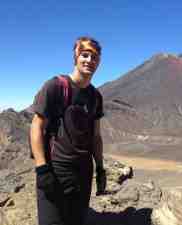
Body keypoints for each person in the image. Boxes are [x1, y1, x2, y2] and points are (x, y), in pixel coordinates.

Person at [30, 36, 106, 225]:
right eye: (85, 55)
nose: (90, 60)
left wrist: (100, 168)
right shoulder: (55, 86)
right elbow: (36, 126)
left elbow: (96, 136)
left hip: (83, 172)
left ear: (99, 62)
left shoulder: (95, 96)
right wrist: (42, 169)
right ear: (76, 57)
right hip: (56, 170)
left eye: (94, 57)